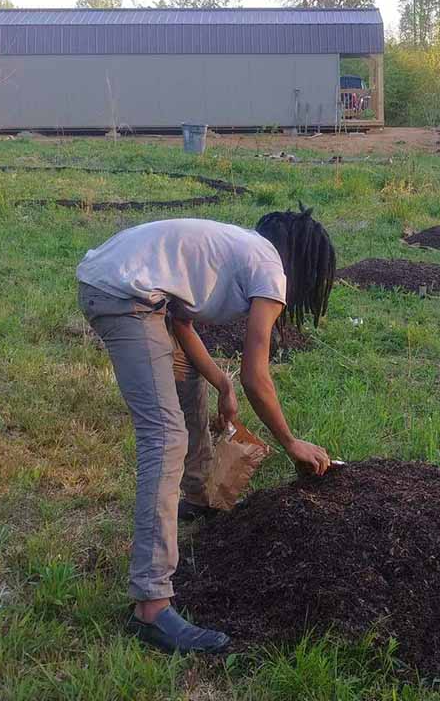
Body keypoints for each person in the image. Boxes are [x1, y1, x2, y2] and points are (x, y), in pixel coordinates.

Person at [75, 206, 336, 655]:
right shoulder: (271, 270)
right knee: (165, 437)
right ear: (305, 266)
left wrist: (221, 382)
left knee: (188, 376)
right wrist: (292, 443)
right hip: (124, 295)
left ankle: (194, 497)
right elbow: (260, 376)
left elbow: (181, 323)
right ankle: (152, 607)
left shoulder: (242, 249)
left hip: (123, 283)